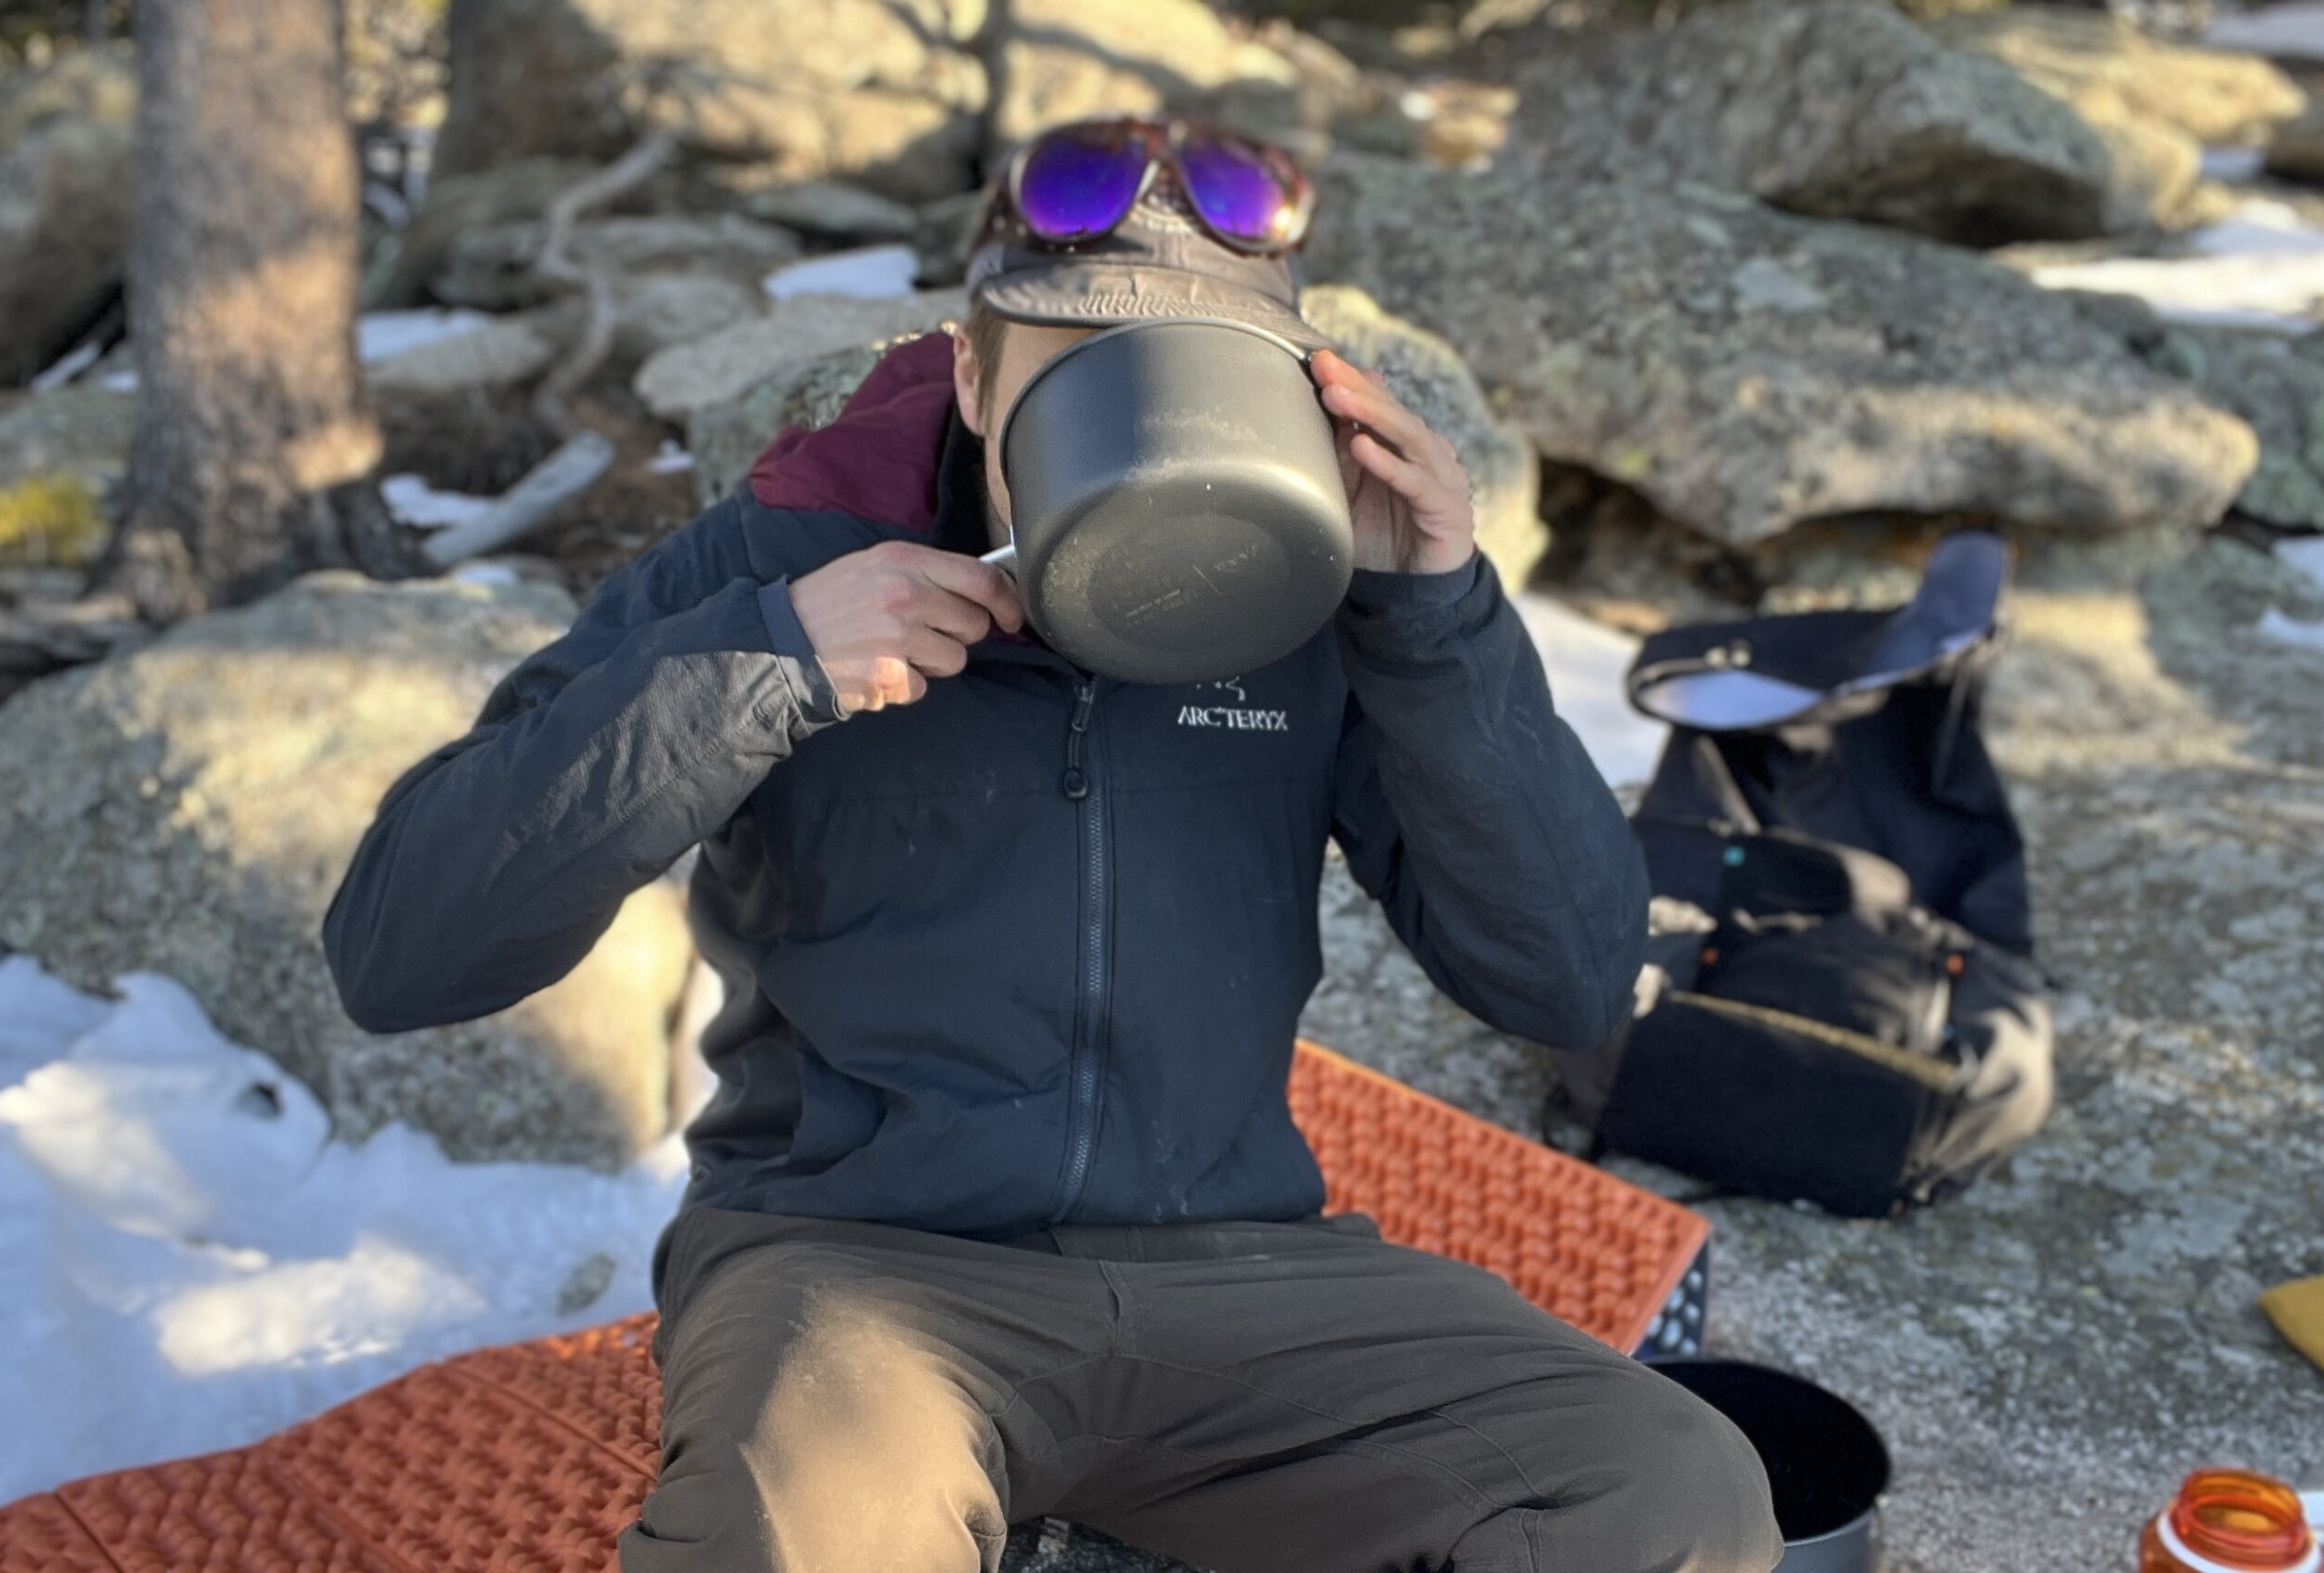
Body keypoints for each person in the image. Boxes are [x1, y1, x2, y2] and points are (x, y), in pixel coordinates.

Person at [323, 116, 1780, 1573]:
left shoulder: (1332, 608)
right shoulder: (782, 559)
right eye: (1088, 366)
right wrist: (762, 666)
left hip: (1244, 1280)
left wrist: (1436, 617)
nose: (1156, 434)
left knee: (1668, 1487)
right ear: (973, 378)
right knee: (798, 1533)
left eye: (1206, 370)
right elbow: (400, 953)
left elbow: (1571, 984)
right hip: (858, 1281)